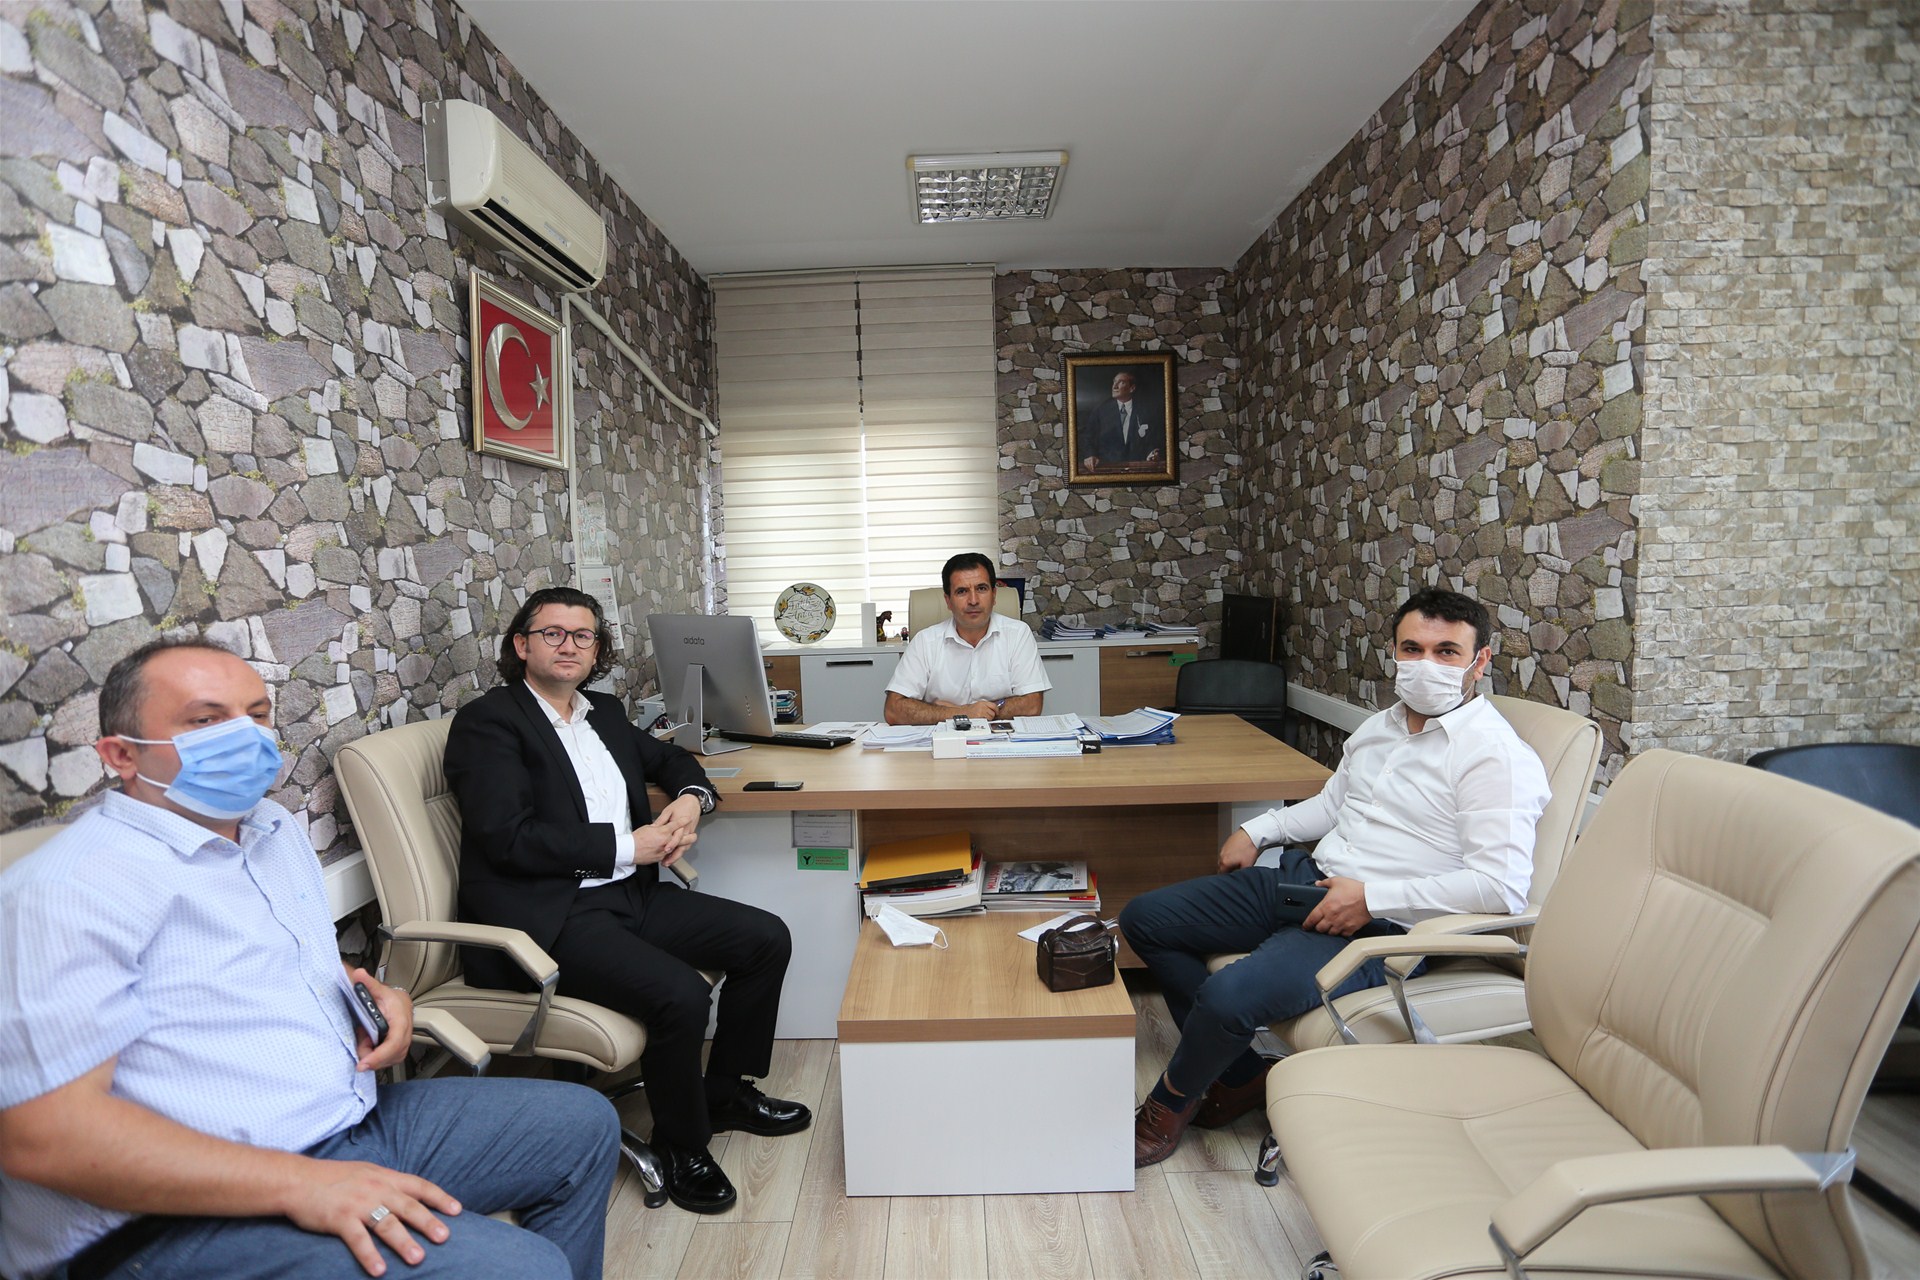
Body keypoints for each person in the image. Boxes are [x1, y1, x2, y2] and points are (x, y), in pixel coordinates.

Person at [0, 639, 618, 1280]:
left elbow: (265, 969)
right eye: (206, 720)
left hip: (342, 1127)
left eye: (257, 715)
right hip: (167, 1218)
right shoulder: (68, 890)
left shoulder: (269, 829)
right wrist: (302, 1184)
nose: (245, 737)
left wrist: (380, 1000)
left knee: (580, 1127)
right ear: (121, 755)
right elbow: (44, 1139)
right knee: (520, 1268)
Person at [1118, 588, 1551, 1167]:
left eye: (1446, 652)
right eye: (1412, 648)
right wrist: (1258, 830)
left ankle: (1169, 1105)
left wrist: (1372, 898)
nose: (1426, 664)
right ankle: (1243, 1075)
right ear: (1394, 652)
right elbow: (1332, 805)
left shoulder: (1495, 756)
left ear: (1480, 661)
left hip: (1384, 924)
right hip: (1310, 881)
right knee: (1145, 919)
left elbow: (1500, 888)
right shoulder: (1379, 728)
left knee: (1227, 996)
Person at [443, 586, 807, 1217]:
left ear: (596, 650)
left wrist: (692, 798)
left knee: (765, 938)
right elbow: (507, 838)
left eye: (582, 635)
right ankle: (681, 1145)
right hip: (550, 916)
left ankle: (722, 1092)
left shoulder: (603, 712)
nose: (569, 645)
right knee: (680, 994)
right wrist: (628, 846)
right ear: (521, 645)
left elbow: (668, 757)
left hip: (628, 894)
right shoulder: (489, 723)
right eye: (553, 633)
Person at [882, 553, 1050, 725]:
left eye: (981, 589)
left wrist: (953, 712)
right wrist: (964, 712)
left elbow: (1032, 705)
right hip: (942, 741)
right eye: (962, 591)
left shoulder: (1018, 634)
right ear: (948, 601)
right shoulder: (925, 642)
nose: (973, 600)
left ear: (994, 595)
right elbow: (894, 710)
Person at [1080, 371, 1162, 470]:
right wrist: (1090, 455)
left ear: (1132, 388)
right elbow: (1088, 437)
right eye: (1114, 382)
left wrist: (1153, 452)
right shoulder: (1101, 410)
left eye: (1121, 382)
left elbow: (1152, 439)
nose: (1115, 386)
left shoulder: (1144, 410)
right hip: (1108, 468)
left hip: (1138, 469)